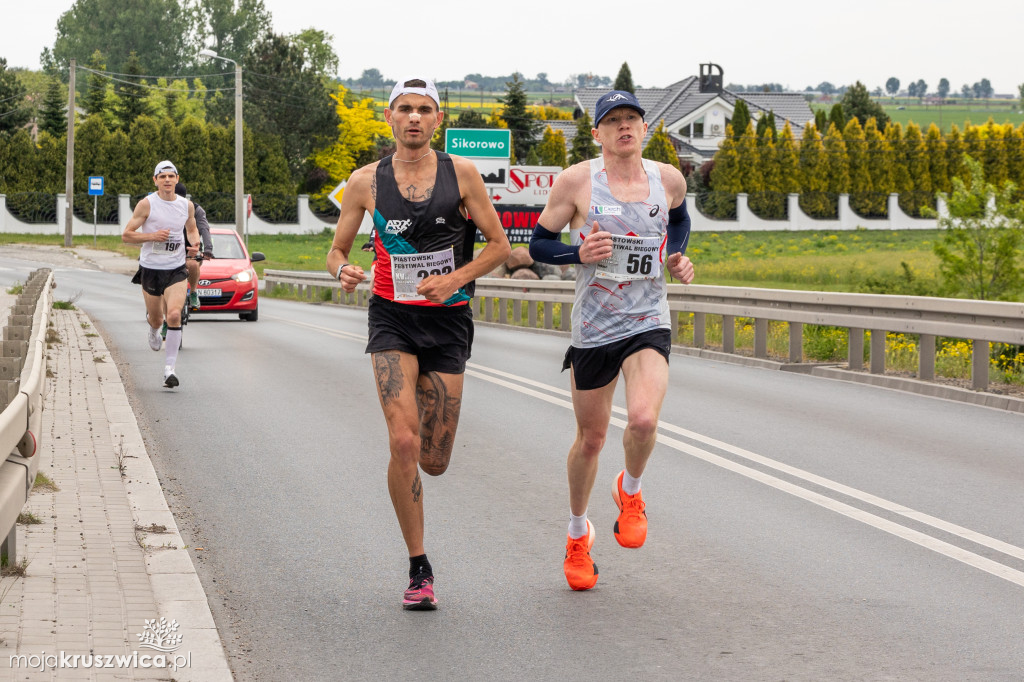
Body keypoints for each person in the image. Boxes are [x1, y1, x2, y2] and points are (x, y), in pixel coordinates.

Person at [326, 77, 511, 610]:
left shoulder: (463, 174)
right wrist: (344, 270)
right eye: (404, 109)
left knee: (434, 458)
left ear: (437, 119)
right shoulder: (366, 181)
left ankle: (425, 468)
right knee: (403, 441)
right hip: (391, 318)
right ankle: (418, 567)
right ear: (389, 117)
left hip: (448, 321)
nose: (413, 118)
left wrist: (455, 278)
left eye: (424, 109)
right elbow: (336, 251)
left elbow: (498, 245)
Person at [528, 90, 695, 591]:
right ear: (598, 133)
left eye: (633, 119)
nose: (624, 127)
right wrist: (577, 254)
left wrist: (676, 255)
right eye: (613, 121)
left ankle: (632, 490)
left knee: (643, 419)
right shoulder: (577, 181)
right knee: (593, 439)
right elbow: (538, 242)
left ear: (645, 129)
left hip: (648, 318)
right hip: (595, 326)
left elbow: (680, 219)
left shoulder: (668, 179)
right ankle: (578, 533)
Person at [124, 160, 200, 388]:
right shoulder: (146, 205)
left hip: (176, 268)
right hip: (151, 269)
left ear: (177, 179)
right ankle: (154, 329)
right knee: (157, 318)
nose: (167, 180)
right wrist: (152, 237)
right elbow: (127, 235)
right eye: (162, 176)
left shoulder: (186, 206)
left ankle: (169, 370)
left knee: (175, 315)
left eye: (171, 176)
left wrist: (195, 244)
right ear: (155, 180)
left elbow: (192, 228)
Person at [175, 182, 214, 312]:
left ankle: (193, 292)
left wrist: (208, 249)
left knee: (192, 265)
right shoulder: (162, 208)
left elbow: (204, 229)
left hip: (190, 250)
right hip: (169, 252)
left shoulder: (196, 210)